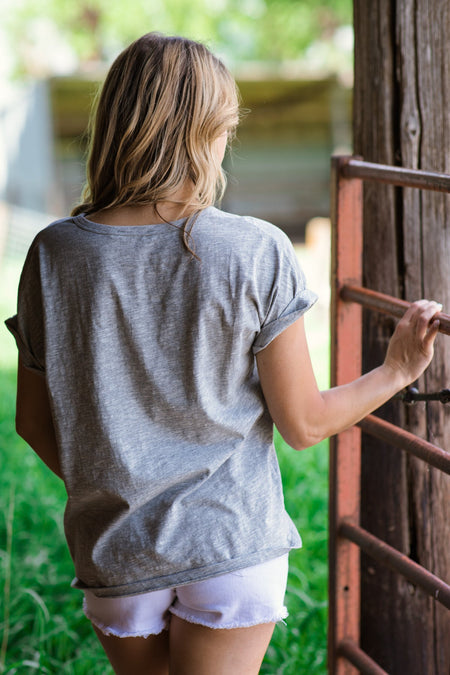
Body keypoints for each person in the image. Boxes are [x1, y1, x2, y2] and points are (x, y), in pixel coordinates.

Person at [5, 33, 441, 675]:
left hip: (117, 556)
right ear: (204, 131)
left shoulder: (54, 254)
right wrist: (398, 369)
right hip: (231, 548)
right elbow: (307, 424)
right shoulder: (254, 250)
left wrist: (123, 486)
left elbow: (32, 422)